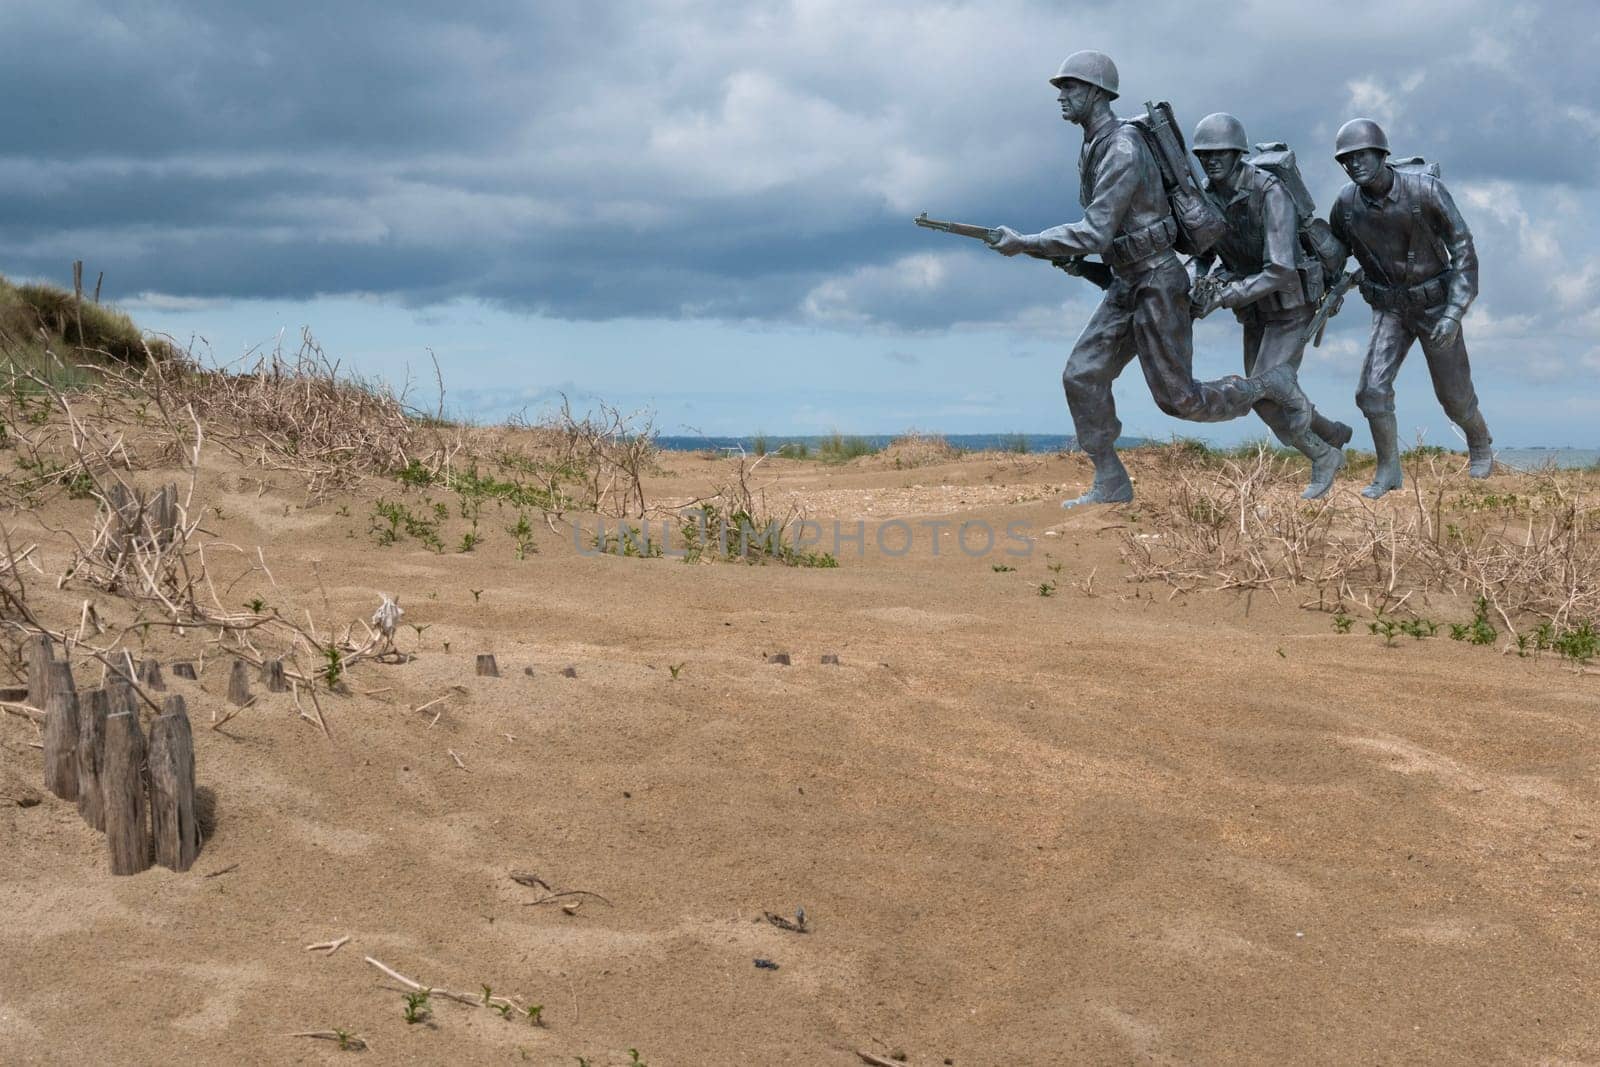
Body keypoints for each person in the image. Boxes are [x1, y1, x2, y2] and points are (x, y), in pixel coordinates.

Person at [988, 50, 1312, 507]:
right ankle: (1111, 480)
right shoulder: (1092, 145)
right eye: (1061, 87)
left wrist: (1027, 242)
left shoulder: (1123, 148)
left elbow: (1095, 229)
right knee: (1082, 375)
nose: (1061, 95)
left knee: (1180, 400)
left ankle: (1265, 386)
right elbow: (1108, 235)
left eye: (1071, 87)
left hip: (1158, 282)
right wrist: (1077, 261)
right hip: (1126, 280)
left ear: (1098, 93)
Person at [1189, 112, 1351, 499]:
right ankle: (1332, 431)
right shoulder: (1207, 196)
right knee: (1265, 394)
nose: (1211, 161)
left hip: (1290, 305)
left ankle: (1324, 454)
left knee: (1260, 396)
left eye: (1220, 153)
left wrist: (1224, 296)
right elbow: (1202, 249)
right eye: (1204, 155)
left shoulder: (1269, 192)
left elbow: (1279, 269)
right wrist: (1199, 280)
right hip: (1255, 311)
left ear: (1237, 153)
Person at [1328, 117, 1492, 498]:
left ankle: (1480, 441)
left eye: (1361, 155)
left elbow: (1464, 252)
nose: (1354, 164)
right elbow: (1333, 252)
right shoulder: (1346, 203)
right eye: (1346, 160)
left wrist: (1454, 312)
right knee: (1370, 391)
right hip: (1389, 308)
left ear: (1382, 154)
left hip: (1436, 304)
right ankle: (1388, 472)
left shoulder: (1426, 192)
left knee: (1455, 397)